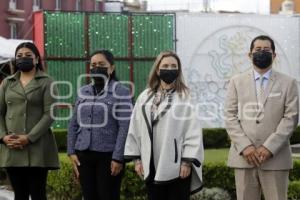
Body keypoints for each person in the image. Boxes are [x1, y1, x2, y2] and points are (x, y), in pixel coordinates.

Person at [224, 35, 299, 200]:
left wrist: (269, 147)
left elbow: (291, 118)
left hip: (276, 158)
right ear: (249, 54)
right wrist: (245, 146)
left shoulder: (289, 83)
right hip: (244, 158)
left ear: (274, 55)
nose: (262, 53)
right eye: (258, 50)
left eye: (266, 50)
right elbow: (230, 115)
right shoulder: (236, 82)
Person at [124, 50, 204, 200]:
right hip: (151, 164)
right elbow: (135, 127)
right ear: (157, 69)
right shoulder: (145, 96)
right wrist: (137, 160)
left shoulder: (185, 96)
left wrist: (186, 162)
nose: (169, 69)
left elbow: (193, 131)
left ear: (178, 70)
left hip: (177, 166)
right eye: (165, 65)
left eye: (173, 66)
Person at [67, 49, 132, 200]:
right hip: (83, 154)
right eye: (93, 64)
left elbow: (125, 126)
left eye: (101, 64)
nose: (96, 67)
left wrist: (118, 158)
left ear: (112, 67)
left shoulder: (121, 92)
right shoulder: (83, 91)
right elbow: (73, 123)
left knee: (107, 195)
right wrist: (71, 151)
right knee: (89, 196)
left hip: (108, 157)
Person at [0, 42, 59, 200]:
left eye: (28, 56)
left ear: (36, 59)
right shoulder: (8, 82)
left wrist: (29, 137)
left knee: (38, 193)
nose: (23, 59)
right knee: (19, 194)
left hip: (37, 146)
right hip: (12, 146)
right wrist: (3, 137)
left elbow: (50, 113)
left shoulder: (47, 81)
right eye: (19, 56)